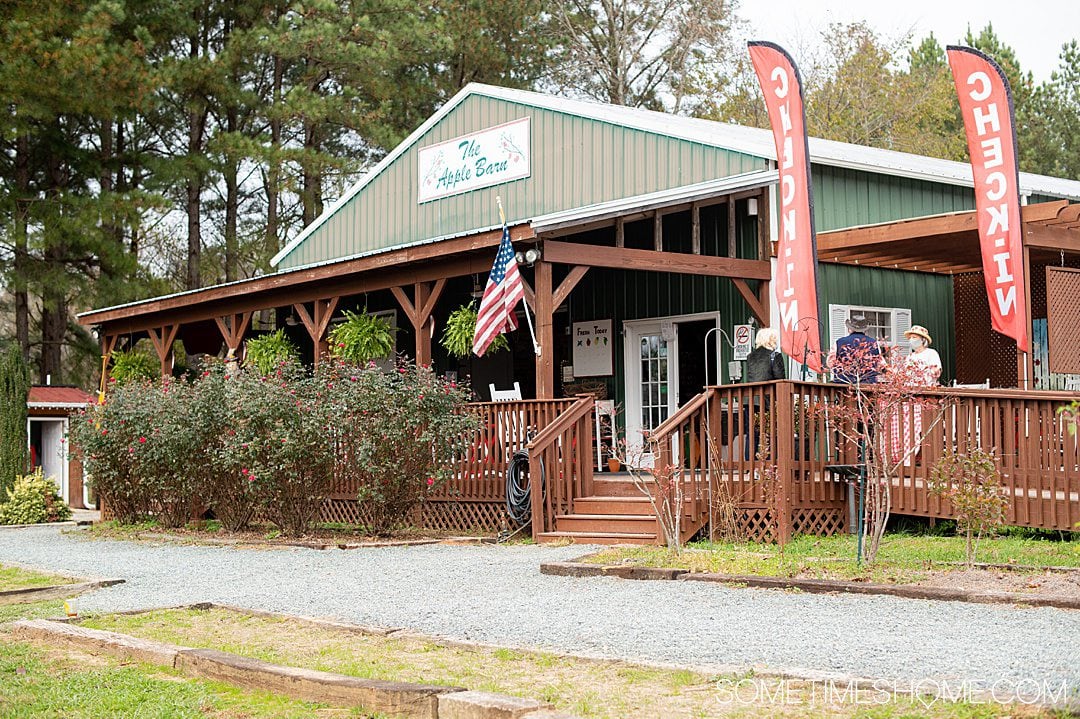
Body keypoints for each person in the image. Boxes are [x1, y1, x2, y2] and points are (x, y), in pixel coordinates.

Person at [830, 314, 882, 384]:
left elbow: (830, 362)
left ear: (850, 329)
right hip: (868, 386)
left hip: (844, 384)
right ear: (864, 330)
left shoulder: (839, 342)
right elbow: (881, 364)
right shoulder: (874, 343)